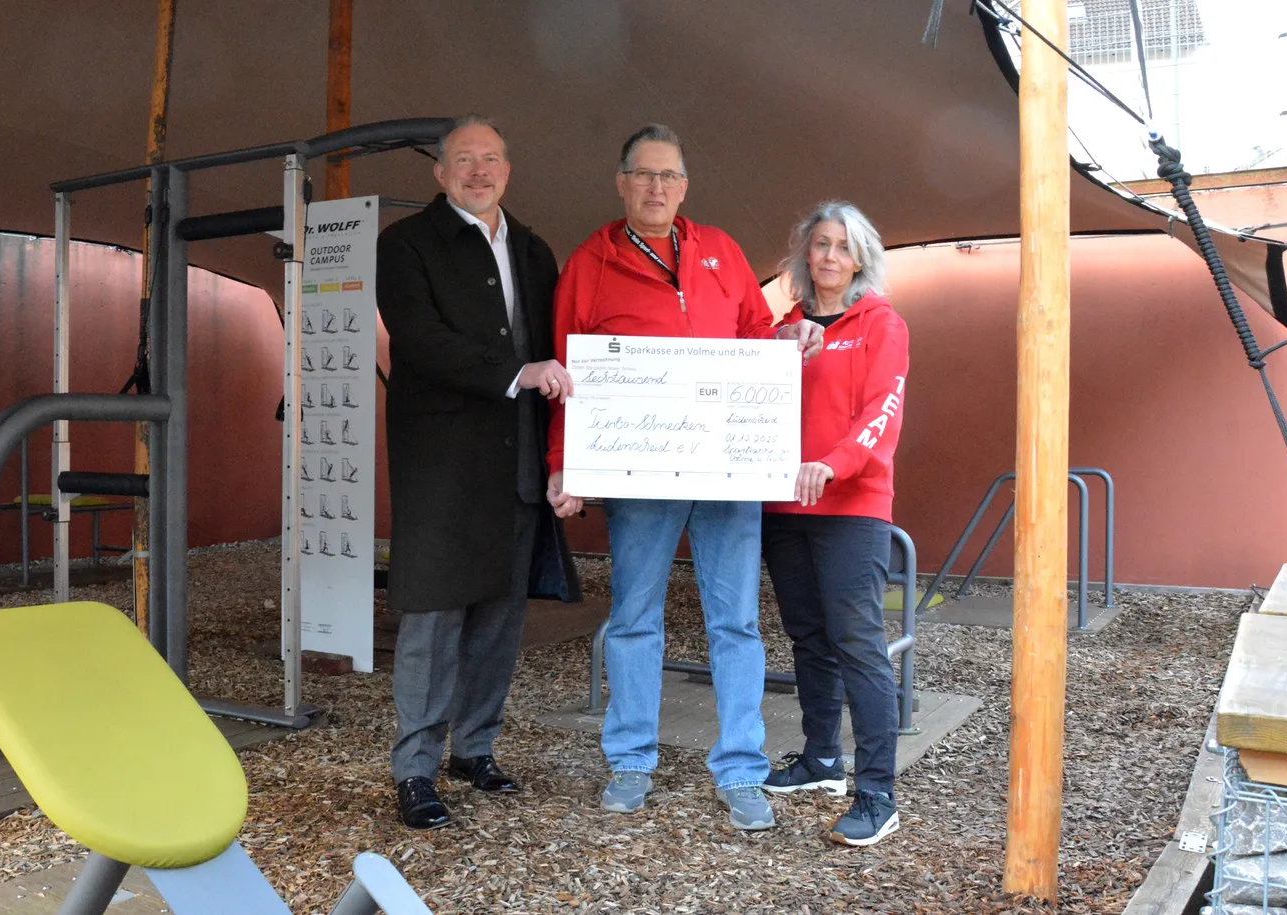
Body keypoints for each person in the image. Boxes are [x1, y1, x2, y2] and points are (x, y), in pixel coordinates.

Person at [545, 124, 822, 831]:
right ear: (621, 182)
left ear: (685, 186)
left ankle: (742, 769)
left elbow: (754, 337)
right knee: (634, 617)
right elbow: (567, 374)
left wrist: (786, 336)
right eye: (644, 174)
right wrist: (563, 464)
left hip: (726, 469)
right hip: (641, 472)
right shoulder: (590, 262)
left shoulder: (720, 250)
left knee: (736, 622)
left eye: (669, 175)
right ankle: (630, 761)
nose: (656, 187)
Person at [374, 115, 578, 830]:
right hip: (442, 466)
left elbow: (560, 350)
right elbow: (420, 340)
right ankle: (415, 768)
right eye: (464, 159)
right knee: (433, 616)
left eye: (490, 158)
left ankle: (475, 748)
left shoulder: (533, 249)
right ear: (440, 172)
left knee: (500, 614)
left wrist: (565, 459)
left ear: (508, 170)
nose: (479, 171)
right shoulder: (405, 244)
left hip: (517, 461)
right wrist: (515, 372)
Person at [759, 201, 909, 847]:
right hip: (783, 507)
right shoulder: (782, 330)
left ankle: (877, 792)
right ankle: (822, 757)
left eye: (842, 246)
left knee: (858, 644)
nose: (829, 255)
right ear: (804, 253)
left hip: (852, 506)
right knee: (808, 637)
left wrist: (834, 463)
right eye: (820, 243)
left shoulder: (882, 324)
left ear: (860, 258)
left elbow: (883, 412)